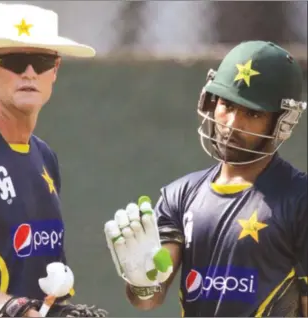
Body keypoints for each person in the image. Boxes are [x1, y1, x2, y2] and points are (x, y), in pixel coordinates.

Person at [105, 40, 308, 317]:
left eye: (253, 113)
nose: (232, 124)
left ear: (283, 121)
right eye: (227, 104)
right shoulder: (180, 195)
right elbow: (149, 299)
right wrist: (141, 281)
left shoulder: (300, 199)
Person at [0, 3, 107, 317]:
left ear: (55, 70)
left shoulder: (44, 156)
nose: (29, 73)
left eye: (40, 61)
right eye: (15, 61)